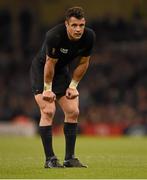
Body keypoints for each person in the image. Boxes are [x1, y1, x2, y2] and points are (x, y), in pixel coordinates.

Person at [30, 6, 95, 168]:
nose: (78, 29)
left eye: (81, 25)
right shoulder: (54, 35)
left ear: (84, 23)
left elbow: (84, 62)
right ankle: (50, 159)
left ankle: (70, 158)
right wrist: (47, 88)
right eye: (74, 25)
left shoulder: (89, 36)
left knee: (73, 111)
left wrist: (73, 86)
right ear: (66, 24)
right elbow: (49, 63)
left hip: (61, 72)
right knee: (48, 110)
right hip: (42, 69)